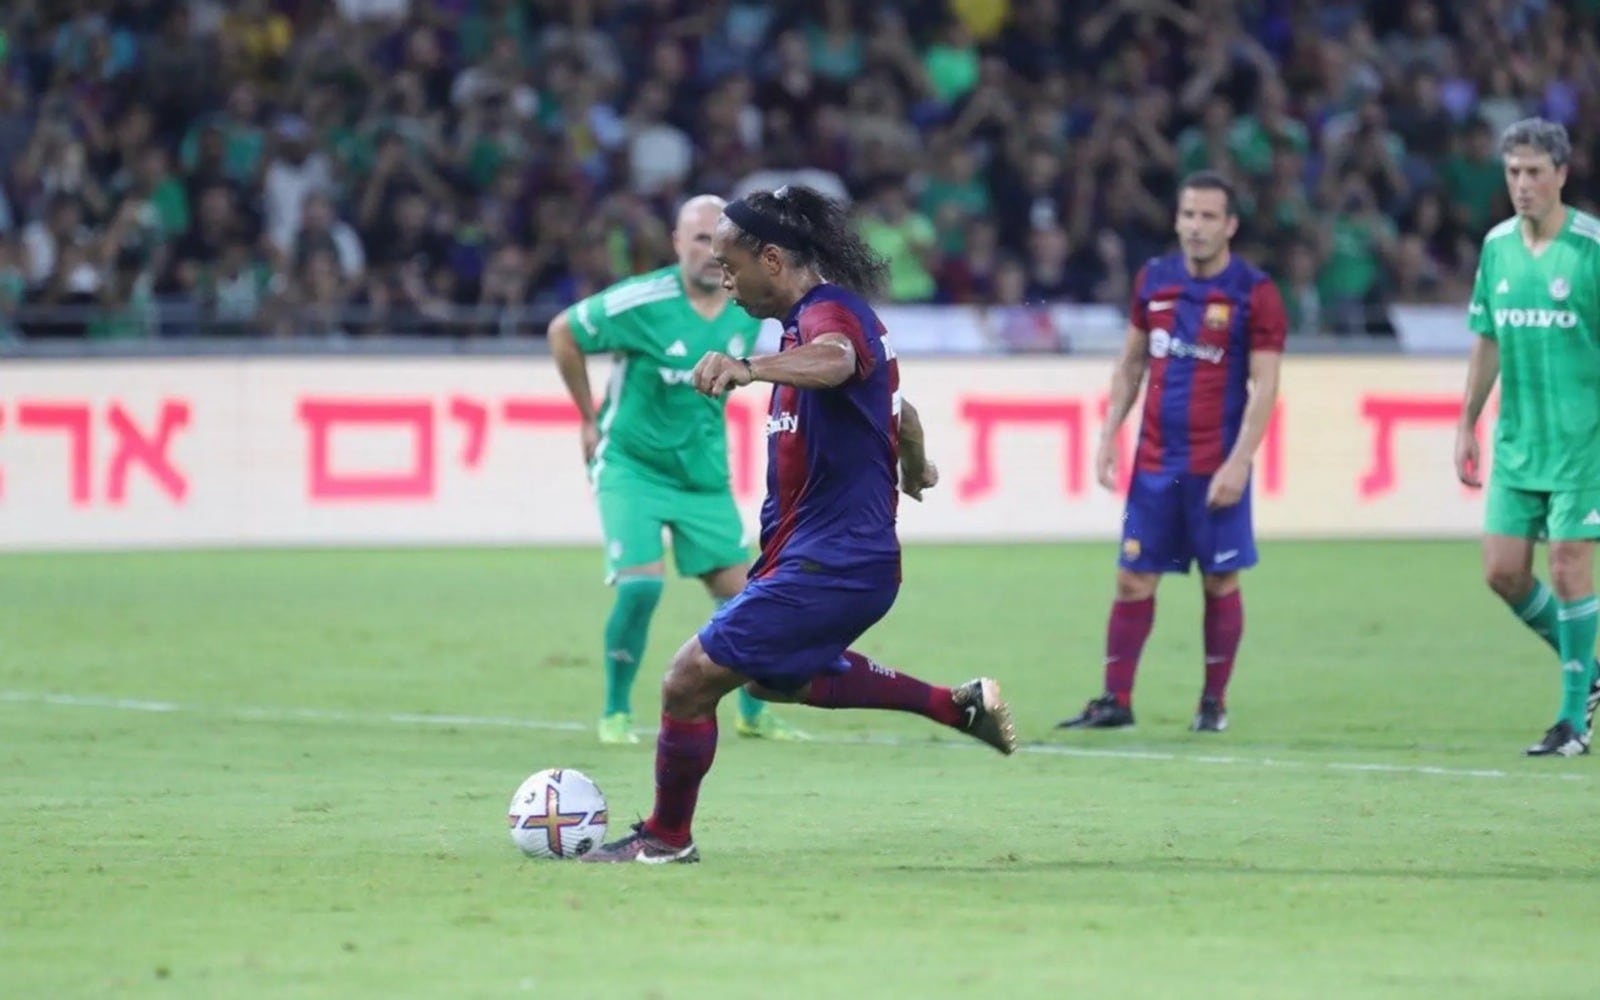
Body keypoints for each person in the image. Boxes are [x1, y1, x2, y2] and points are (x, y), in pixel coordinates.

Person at [582, 185, 1017, 864]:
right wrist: (914, 467)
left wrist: (748, 368)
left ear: (774, 260)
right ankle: (954, 706)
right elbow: (901, 413)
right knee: (770, 679)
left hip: (835, 561)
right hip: (823, 559)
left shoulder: (830, 317)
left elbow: (840, 362)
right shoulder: (807, 326)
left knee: (686, 680)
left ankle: (665, 840)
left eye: (731, 265)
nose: (724, 280)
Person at [547, 195, 805, 745]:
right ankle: (616, 712)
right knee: (641, 588)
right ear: (676, 244)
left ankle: (754, 714)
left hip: (702, 475)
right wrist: (587, 418)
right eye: (700, 240)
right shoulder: (642, 301)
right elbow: (562, 332)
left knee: (748, 598)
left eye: (724, 242)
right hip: (631, 467)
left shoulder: (747, 303)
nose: (714, 254)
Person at [1058, 171, 1285, 734]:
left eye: (1209, 216)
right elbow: (1132, 363)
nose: (1196, 226)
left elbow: (1266, 386)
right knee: (1133, 579)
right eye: (1188, 214)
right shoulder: (1154, 280)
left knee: (1219, 581)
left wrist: (1240, 463)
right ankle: (1116, 700)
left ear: (1230, 225)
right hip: (1156, 466)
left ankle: (1213, 704)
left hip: (1215, 467)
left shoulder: (1254, 292)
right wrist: (1110, 431)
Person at [1455, 118, 1600, 757]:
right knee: (1503, 572)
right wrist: (1467, 420)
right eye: (1513, 172)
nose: (1522, 184)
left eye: (1534, 172)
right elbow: (1487, 337)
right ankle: (1590, 672)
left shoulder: (1592, 249)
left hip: (1583, 444)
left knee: (1569, 568)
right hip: (1517, 445)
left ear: (1562, 175)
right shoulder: (1497, 248)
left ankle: (1573, 721)